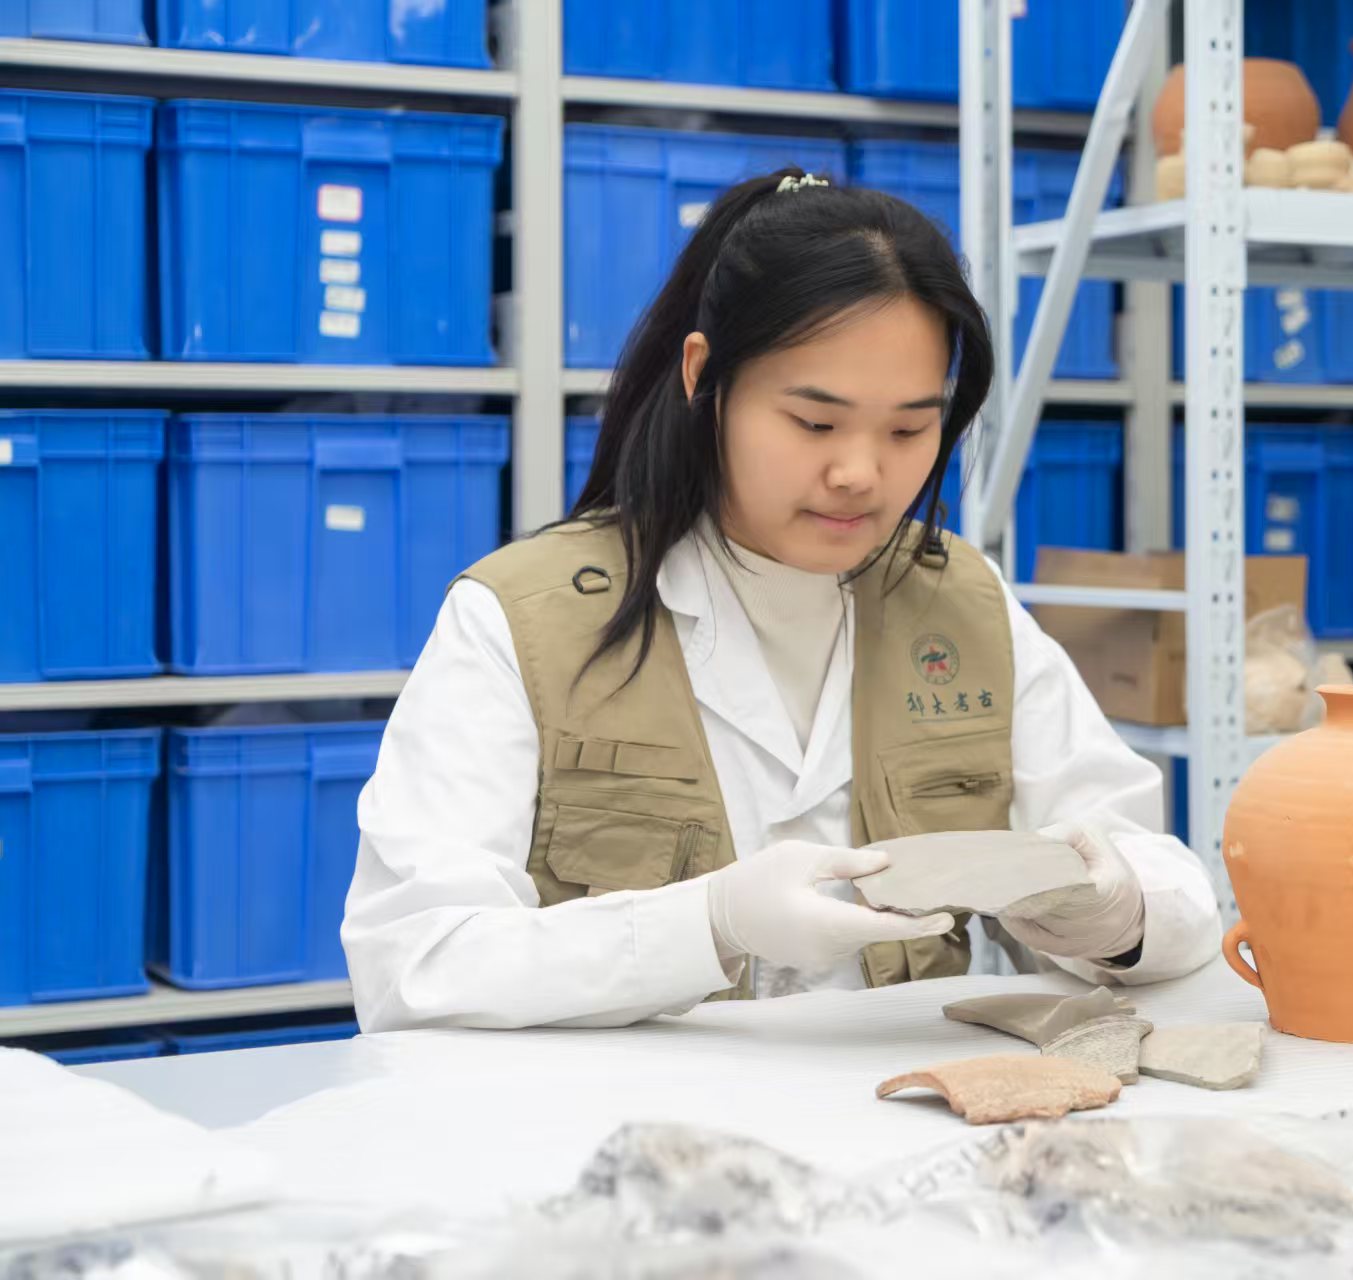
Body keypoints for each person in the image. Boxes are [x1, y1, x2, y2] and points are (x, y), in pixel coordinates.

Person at [342, 169, 1223, 1032]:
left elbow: (1161, 882)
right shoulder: (522, 620)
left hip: (892, 1111)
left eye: (909, 428)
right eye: (814, 423)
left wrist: (1120, 915)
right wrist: (709, 924)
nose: (860, 473)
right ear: (704, 377)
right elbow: (412, 963)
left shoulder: (962, 603)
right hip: (628, 1122)